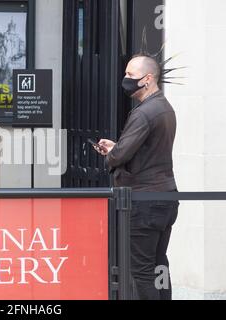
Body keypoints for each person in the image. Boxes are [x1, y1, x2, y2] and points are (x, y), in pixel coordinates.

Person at [94, 54, 179, 300]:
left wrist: (112, 152)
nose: (126, 79)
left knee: (140, 270)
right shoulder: (164, 107)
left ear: (148, 78)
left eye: (131, 75)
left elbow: (119, 156)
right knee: (158, 262)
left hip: (144, 201)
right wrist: (118, 148)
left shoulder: (144, 113)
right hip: (166, 197)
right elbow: (144, 149)